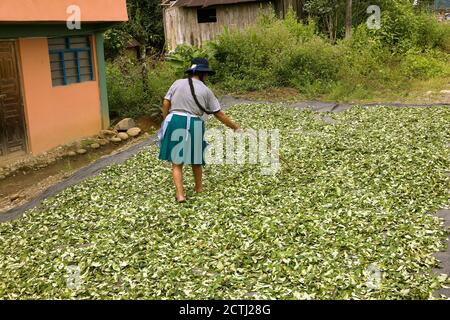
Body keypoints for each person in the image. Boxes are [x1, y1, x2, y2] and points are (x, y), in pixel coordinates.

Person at [158, 58, 241, 203]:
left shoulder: (177, 83)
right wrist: (235, 127)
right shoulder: (206, 90)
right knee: (196, 159)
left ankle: (181, 195)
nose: (207, 77)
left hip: (175, 120)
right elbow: (218, 113)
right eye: (206, 74)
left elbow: (166, 102)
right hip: (195, 123)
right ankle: (199, 188)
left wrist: (166, 118)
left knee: (177, 162)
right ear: (202, 74)